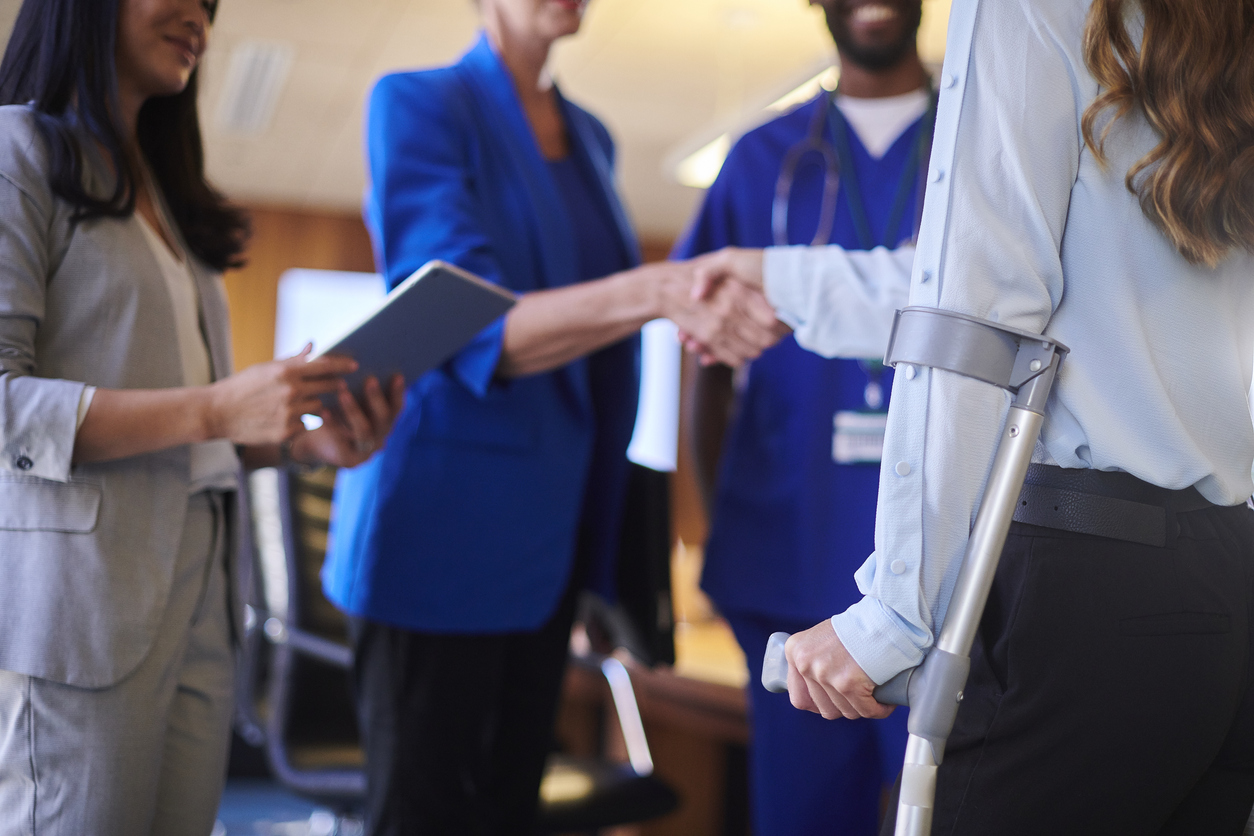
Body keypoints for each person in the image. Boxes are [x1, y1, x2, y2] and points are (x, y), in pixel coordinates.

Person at [690, 0, 1254, 832]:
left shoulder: (1027, 9)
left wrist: (892, 614)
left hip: (1079, 592)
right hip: (1223, 587)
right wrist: (776, 281)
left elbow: (973, 314)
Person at [319, 0, 786, 833]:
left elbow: (596, 361)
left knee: (507, 816)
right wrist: (657, 288)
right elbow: (472, 328)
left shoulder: (592, 137)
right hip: (440, 540)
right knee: (423, 817)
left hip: (551, 547)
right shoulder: (420, 104)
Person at [0, 0, 404, 833]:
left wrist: (296, 440)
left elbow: (197, 433)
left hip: (201, 609)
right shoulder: (18, 151)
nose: (201, 20)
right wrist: (221, 406)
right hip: (83, 618)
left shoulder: (170, 203)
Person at [674, 0, 934, 832]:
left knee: (953, 810)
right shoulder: (761, 160)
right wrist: (721, 522)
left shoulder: (988, 150)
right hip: (787, 552)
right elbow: (703, 360)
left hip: (950, 563)